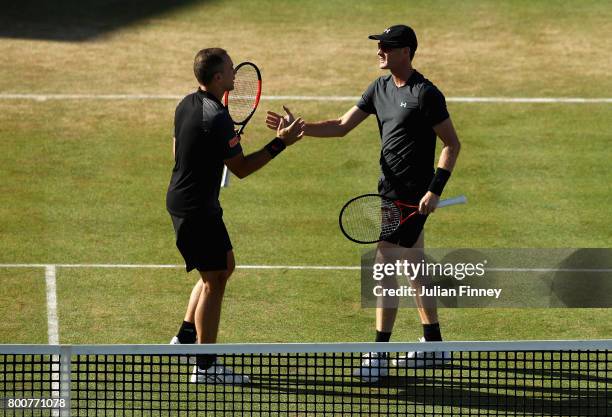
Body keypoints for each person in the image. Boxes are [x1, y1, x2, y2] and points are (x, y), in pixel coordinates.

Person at [266, 25, 461, 382]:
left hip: (412, 197)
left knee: (385, 263)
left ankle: (379, 355)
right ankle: (434, 345)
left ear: (406, 51)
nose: (379, 51)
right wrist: (300, 128)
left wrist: (434, 189)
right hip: (388, 192)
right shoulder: (379, 88)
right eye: (379, 46)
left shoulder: (426, 94)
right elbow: (341, 125)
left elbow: (451, 144)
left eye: (386, 46)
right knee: (414, 265)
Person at [166, 47, 304, 384]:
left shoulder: (187, 103)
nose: (235, 73)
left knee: (222, 267)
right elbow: (241, 168)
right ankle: (205, 366)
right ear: (217, 78)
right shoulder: (217, 117)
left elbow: (179, 148)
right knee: (214, 280)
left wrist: (219, 146)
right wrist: (280, 143)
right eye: (230, 69)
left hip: (187, 201)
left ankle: (184, 339)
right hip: (197, 208)